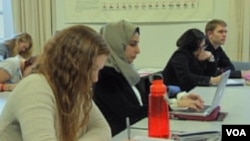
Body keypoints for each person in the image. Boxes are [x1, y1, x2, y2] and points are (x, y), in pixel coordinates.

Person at [93, 20, 205, 136]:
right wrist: (173, 105)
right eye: (132, 44)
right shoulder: (103, 76)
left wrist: (178, 99)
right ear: (116, 44)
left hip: (140, 130)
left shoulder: (127, 71)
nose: (138, 50)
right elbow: (129, 112)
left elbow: (147, 101)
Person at [0, 25, 112, 141]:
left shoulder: (74, 89)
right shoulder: (35, 88)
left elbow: (102, 128)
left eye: (99, 70)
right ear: (72, 65)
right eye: (92, 69)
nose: (95, 78)